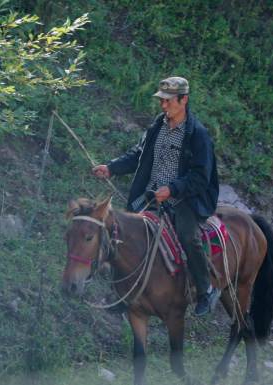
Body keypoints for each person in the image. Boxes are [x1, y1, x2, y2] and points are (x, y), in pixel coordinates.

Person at [92, 76, 220, 316]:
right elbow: (138, 155)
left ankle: (205, 290)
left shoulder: (198, 135)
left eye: (168, 101)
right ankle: (125, 293)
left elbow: (201, 177)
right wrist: (111, 168)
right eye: (161, 101)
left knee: (188, 236)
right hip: (150, 196)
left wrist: (173, 189)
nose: (163, 106)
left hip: (184, 199)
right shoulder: (157, 127)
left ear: (184, 100)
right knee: (121, 232)